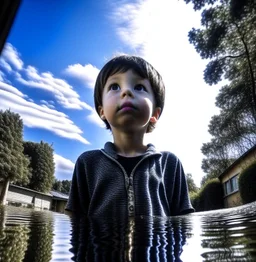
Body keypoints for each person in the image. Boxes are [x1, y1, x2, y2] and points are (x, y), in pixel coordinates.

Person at [65, 55, 194, 218]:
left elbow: (184, 222)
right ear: (102, 111)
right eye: (114, 86)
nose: (126, 91)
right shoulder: (87, 163)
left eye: (139, 87)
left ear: (155, 113)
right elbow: (73, 221)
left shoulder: (169, 164)